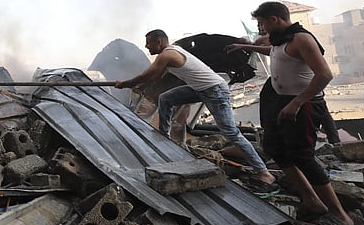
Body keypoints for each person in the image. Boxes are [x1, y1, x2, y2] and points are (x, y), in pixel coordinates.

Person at [226, 2, 353, 225]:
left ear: (275, 19)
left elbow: (324, 75)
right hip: (281, 102)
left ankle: (341, 215)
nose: (260, 28)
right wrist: (245, 47)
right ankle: (311, 200)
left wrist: (296, 103)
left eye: (262, 22)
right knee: (276, 150)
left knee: (302, 156)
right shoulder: (281, 40)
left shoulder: (301, 39)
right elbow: (275, 54)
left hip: (302, 104)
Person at [115, 29, 278, 192]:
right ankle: (164, 136)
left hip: (215, 91)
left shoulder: (167, 55)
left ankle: (264, 173)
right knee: (165, 98)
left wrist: (126, 83)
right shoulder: (170, 53)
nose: (146, 46)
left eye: (148, 43)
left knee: (231, 133)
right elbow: (156, 76)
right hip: (200, 89)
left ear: (159, 42)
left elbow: (148, 75)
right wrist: (139, 86)